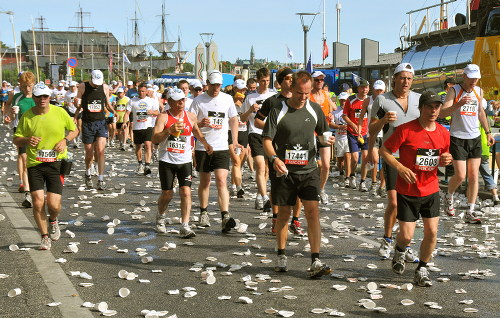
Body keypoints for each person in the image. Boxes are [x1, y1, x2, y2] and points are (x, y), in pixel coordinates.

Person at [263, 70, 334, 278]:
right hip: (284, 171)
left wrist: (325, 144)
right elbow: (267, 139)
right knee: (284, 214)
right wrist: (274, 159)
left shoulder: (314, 110)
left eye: (307, 93)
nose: (303, 98)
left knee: (313, 212)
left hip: (309, 169)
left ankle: (315, 259)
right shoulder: (278, 109)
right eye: (299, 93)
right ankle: (282, 254)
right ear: (291, 89)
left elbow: (323, 135)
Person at [380, 91, 452, 286]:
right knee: (407, 236)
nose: (433, 110)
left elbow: (444, 157)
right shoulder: (406, 130)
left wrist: (447, 159)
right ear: (420, 108)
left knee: (432, 232)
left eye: (437, 107)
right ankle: (400, 250)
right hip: (408, 191)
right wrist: (400, 167)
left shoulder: (444, 133)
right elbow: (384, 150)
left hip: (431, 190)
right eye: (429, 106)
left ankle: (422, 269)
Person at [13, 82, 78, 250]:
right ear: (33, 98)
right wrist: (27, 140)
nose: (42, 99)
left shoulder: (60, 112)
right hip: (35, 164)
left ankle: (53, 220)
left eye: (45, 96)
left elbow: (74, 130)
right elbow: (16, 139)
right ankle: (44, 237)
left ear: (50, 97)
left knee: (54, 205)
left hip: (56, 163)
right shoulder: (27, 116)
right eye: (39, 96)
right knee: (38, 202)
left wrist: (65, 140)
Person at [370, 63, 421, 261]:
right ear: (394, 79)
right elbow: (371, 130)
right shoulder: (382, 100)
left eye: (409, 78)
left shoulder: (419, 99)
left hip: (415, 158)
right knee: (394, 202)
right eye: (402, 78)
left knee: (409, 204)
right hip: (393, 156)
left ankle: (405, 244)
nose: (405, 82)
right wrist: (383, 121)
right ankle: (387, 239)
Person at [152, 88, 212, 238]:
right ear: (170, 102)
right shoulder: (163, 117)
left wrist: (205, 144)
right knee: (168, 193)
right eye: (177, 101)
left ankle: (185, 225)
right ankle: (160, 216)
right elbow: (155, 139)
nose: (181, 103)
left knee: (185, 191)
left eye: (183, 100)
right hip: (167, 159)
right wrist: (168, 131)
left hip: (185, 160)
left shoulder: (190, 116)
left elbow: (196, 131)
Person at [440, 64, 494, 224]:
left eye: (476, 78)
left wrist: (488, 132)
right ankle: (448, 196)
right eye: (471, 77)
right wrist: (458, 104)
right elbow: (443, 112)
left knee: (473, 176)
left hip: (475, 137)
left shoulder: (479, 91)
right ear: (464, 76)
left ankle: (470, 210)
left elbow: (480, 112)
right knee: (461, 175)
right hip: (458, 137)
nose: (474, 81)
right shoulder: (454, 90)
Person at [255, 67, 305, 236]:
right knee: (278, 186)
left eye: (294, 78)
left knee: (299, 185)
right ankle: (276, 219)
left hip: (298, 148)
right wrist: (273, 129)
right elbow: (257, 122)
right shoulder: (272, 101)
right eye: (289, 79)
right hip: (277, 149)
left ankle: (295, 220)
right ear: (281, 82)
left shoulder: (302, 98)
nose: (292, 81)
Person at [190, 70, 241, 232]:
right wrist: (200, 122)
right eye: (213, 85)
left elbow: (233, 119)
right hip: (203, 147)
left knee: (221, 180)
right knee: (205, 181)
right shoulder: (198, 101)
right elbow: (191, 124)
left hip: (221, 146)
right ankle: (203, 212)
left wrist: (234, 140)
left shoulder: (227, 99)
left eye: (218, 85)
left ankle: (225, 215)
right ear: (207, 84)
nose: (216, 88)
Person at [240, 68, 276, 212]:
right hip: (255, 133)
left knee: (267, 168)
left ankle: (259, 194)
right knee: (260, 166)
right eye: (263, 81)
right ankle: (265, 197)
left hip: (271, 133)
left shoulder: (274, 95)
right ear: (258, 80)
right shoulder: (250, 97)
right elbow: (242, 118)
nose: (265, 84)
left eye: (268, 81)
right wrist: (250, 110)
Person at [74, 70, 114, 190]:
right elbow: (79, 105)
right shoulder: (82, 86)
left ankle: (101, 179)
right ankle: (87, 173)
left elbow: (107, 104)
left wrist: (113, 111)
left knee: (101, 150)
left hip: (101, 122)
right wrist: (76, 107)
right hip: (87, 123)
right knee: (89, 153)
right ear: (90, 78)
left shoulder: (105, 87)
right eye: (95, 82)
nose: (97, 85)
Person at [3, 72, 36, 208]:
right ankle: (28, 193)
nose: (26, 89)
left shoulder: (39, 96)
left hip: (38, 132)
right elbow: (7, 109)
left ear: (33, 84)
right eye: (23, 86)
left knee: (36, 161)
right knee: (24, 158)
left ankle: (36, 188)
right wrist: (9, 115)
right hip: (21, 131)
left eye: (29, 86)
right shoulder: (17, 97)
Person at [310, 71, 337, 204]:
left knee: (326, 165)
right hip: (310, 132)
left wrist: (331, 115)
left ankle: (321, 189)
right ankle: (310, 189)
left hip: (324, 131)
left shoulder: (326, 94)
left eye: (321, 80)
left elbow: (333, 109)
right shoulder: (308, 95)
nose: (319, 82)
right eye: (317, 80)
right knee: (315, 164)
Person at [123, 83, 160, 176]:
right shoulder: (132, 101)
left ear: (146, 91)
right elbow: (127, 113)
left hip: (148, 126)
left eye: (143, 91)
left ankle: (147, 165)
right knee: (138, 146)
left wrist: (152, 112)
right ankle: (140, 164)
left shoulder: (151, 101)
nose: (141, 93)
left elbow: (157, 112)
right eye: (139, 91)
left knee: (148, 145)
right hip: (137, 126)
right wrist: (124, 122)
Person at [358, 79, 387, 196]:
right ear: (373, 90)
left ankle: (382, 186)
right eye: (376, 90)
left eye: (381, 90)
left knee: (385, 161)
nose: (378, 92)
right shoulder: (367, 101)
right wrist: (359, 130)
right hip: (372, 133)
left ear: (384, 90)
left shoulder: (388, 100)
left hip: (385, 134)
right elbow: (361, 117)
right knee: (375, 160)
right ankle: (374, 183)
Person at [342, 79, 370, 191]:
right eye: (362, 87)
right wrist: (352, 124)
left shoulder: (370, 100)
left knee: (365, 158)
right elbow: (344, 115)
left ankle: (362, 182)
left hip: (365, 133)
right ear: (358, 89)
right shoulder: (351, 99)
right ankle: (352, 175)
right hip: (353, 133)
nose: (364, 90)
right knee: (355, 157)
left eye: (366, 87)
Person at [229, 79, 248, 198]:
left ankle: (233, 185)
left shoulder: (246, 102)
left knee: (240, 163)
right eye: (239, 89)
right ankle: (239, 186)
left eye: (244, 90)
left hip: (243, 133)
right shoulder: (228, 102)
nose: (242, 92)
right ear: (234, 89)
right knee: (236, 161)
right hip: (230, 133)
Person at [330, 92, 350, 186]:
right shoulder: (335, 111)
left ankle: (348, 177)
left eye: (345, 100)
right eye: (341, 100)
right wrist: (339, 127)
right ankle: (341, 173)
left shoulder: (351, 110)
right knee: (340, 160)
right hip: (338, 138)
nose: (343, 102)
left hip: (348, 137)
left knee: (347, 156)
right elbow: (331, 124)